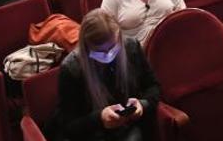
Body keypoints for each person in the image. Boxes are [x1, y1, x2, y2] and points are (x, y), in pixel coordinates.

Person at [55, 9, 160, 140]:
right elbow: (68, 125)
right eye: (100, 51)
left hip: (130, 127)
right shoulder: (72, 69)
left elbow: (153, 86)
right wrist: (99, 118)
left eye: (113, 47)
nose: (109, 55)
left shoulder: (131, 47)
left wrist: (142, 104)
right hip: (93, 133)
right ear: (87, 47)